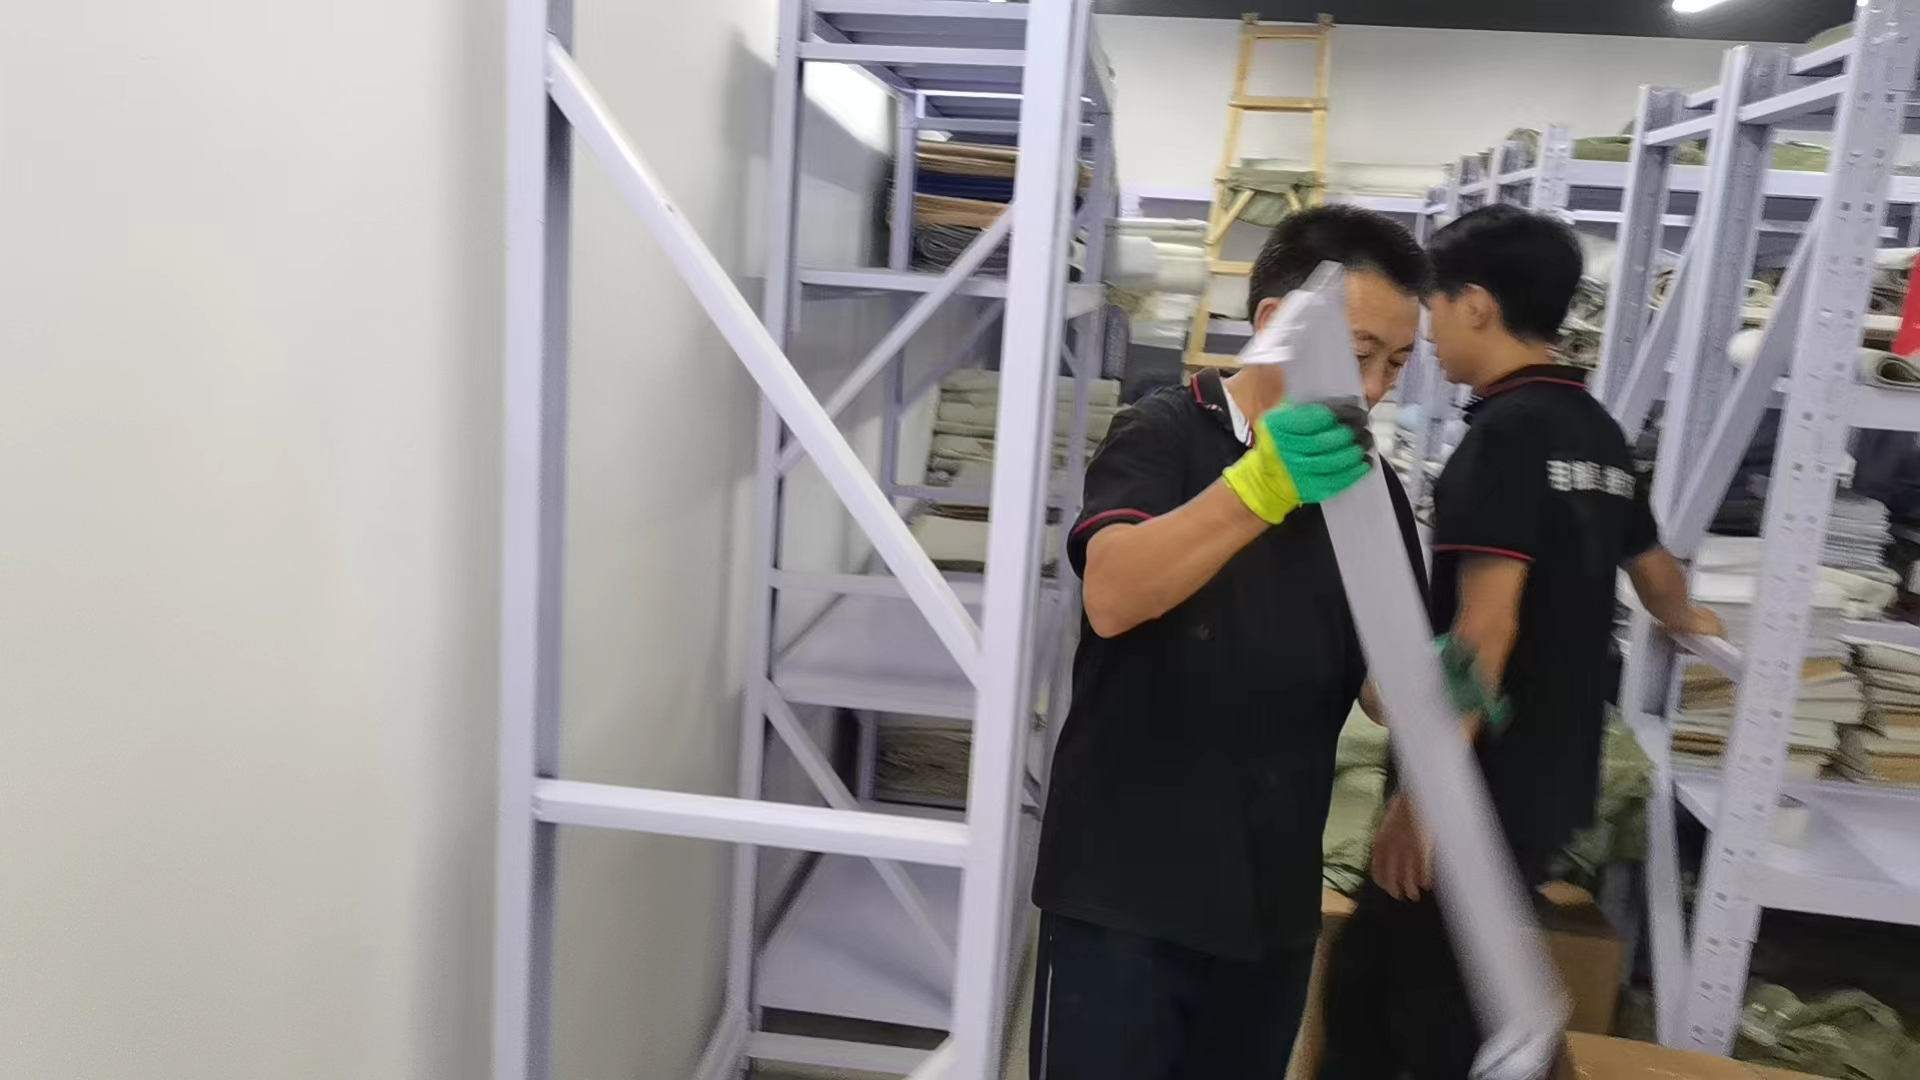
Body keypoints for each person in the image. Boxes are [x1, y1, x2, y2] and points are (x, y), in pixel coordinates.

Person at [1316, 204, 1723, 1080]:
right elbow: (1658, 577)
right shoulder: (1594, 429)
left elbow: (1485, 631)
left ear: (1476, 304)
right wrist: (1692, 622)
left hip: (1478, 787)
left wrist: (1427, 800)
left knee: (1397, 1014)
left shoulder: (1500, 440)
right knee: (1421, 986)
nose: (1428, 333)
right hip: (1552, 777)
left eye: (1432, 308)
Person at [1028, 205, 1431, 1080]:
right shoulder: (1164, 433)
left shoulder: (1370, 489)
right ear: (1276, 324)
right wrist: (1260, 487)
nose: (1374, 387)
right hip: (1126, 892)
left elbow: (1381, 683)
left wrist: (1438, 683)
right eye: (1360, 353)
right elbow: (1113, 595)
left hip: (1269, 902)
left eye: (1398, 363)